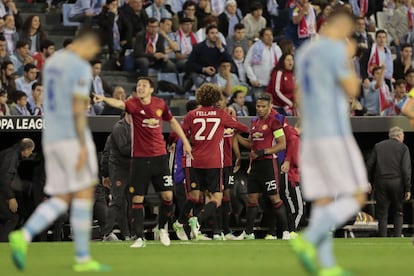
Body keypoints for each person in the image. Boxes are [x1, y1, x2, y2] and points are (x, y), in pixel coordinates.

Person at [8, 28, 110, 272]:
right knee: (85, 194)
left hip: (52, 137)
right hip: (71, 134)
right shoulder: (80, 67)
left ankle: (24, 235)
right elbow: (76, 106)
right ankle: (83, 257)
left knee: (63, 197)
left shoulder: (53, 63)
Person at [290, 10, 369, 275]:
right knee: (358, 193)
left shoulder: (303, 54)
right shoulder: (335, 51)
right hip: (334, 133)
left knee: (323, 200)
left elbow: (299, 95)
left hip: (311, 135)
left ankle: (327, 266)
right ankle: (309, 238)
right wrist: (347, 58)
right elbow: (352, 90)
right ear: (340, 25)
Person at [93, 77, 192, 248]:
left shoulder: (160, 104)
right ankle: (139, 237)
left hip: (159, 157)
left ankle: (161, 228)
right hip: (140, 160)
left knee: (168, 196)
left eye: (144, 85)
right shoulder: (133, 105)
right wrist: (103, 99)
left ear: (151, 89)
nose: (140, 88)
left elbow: (173, 122)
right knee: (137, 199)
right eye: (138, 85)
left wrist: (185, 141)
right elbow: (119, 104)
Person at [173, 83, 248, 241]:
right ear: (215, 98)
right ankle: (197, 220)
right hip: (214, 162)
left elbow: (177, 133)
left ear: (200, 97)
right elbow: (242, 128)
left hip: (195, 161)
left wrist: (178, 142)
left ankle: (180, 222)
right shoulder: (221, 114)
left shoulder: (192, 115)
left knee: (193, 197)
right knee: (216, 198)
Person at [236, 93, 289, 240]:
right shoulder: (254, 123)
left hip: (269, 164)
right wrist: (237, 136)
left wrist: (263, 151)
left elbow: (282, 144)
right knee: (251, 198)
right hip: (256, 166)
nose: (259, 109)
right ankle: (248, 233)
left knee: (274, 198)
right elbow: (250, 144)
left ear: (270, 106)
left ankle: (285, 232)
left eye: (263, 106)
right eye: (258, 106)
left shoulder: (275, 122)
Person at [367, 126, 411, 237]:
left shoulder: (378, 146)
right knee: (398, 211)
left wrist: (368, 181)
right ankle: (397, 237)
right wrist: (407, 187)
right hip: (397, 183)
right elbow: (406, 169)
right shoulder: (403, 148)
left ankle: (382, 238)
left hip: (380, 182)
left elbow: (369, 165)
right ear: (400, 136)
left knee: (382, 213)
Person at [101, 113, 133, 241]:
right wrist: (105, 174)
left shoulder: (135, 128)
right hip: (118, 170)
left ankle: (129, 234)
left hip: (131, 170)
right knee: (117, 202)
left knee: (132, 202)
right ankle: (106, 233)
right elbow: (107, 154)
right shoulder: (118, 129)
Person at [215, 92, 241, 240]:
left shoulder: (231, 117)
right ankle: (217, 230)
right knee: (216, 196)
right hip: (215, 163)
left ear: (226, 101)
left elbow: (234, 138)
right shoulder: (212, 117)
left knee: (227, 196)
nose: (219, 102)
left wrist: (237, 155)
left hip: (228, 163)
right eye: (216, 100)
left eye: (221, 100)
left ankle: (225, 230)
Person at [0, 138, 34, 242]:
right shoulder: (11, 157)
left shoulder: (9, 153)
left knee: (4, 219)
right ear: (27, 149)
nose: (30, 154)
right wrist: (11, 197)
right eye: (31, 151)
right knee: (12, 218)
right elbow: (4, 178)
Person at [244, 27, 282, 99]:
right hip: (259, 84)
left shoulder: (276, 48)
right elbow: (247, 64)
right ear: (262, 37)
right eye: (266, 35)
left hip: (273, 84)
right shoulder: (255, 47)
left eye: (271, 35)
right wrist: (252, 78)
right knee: (260, 106)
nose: (269, 37)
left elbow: (281, 65)